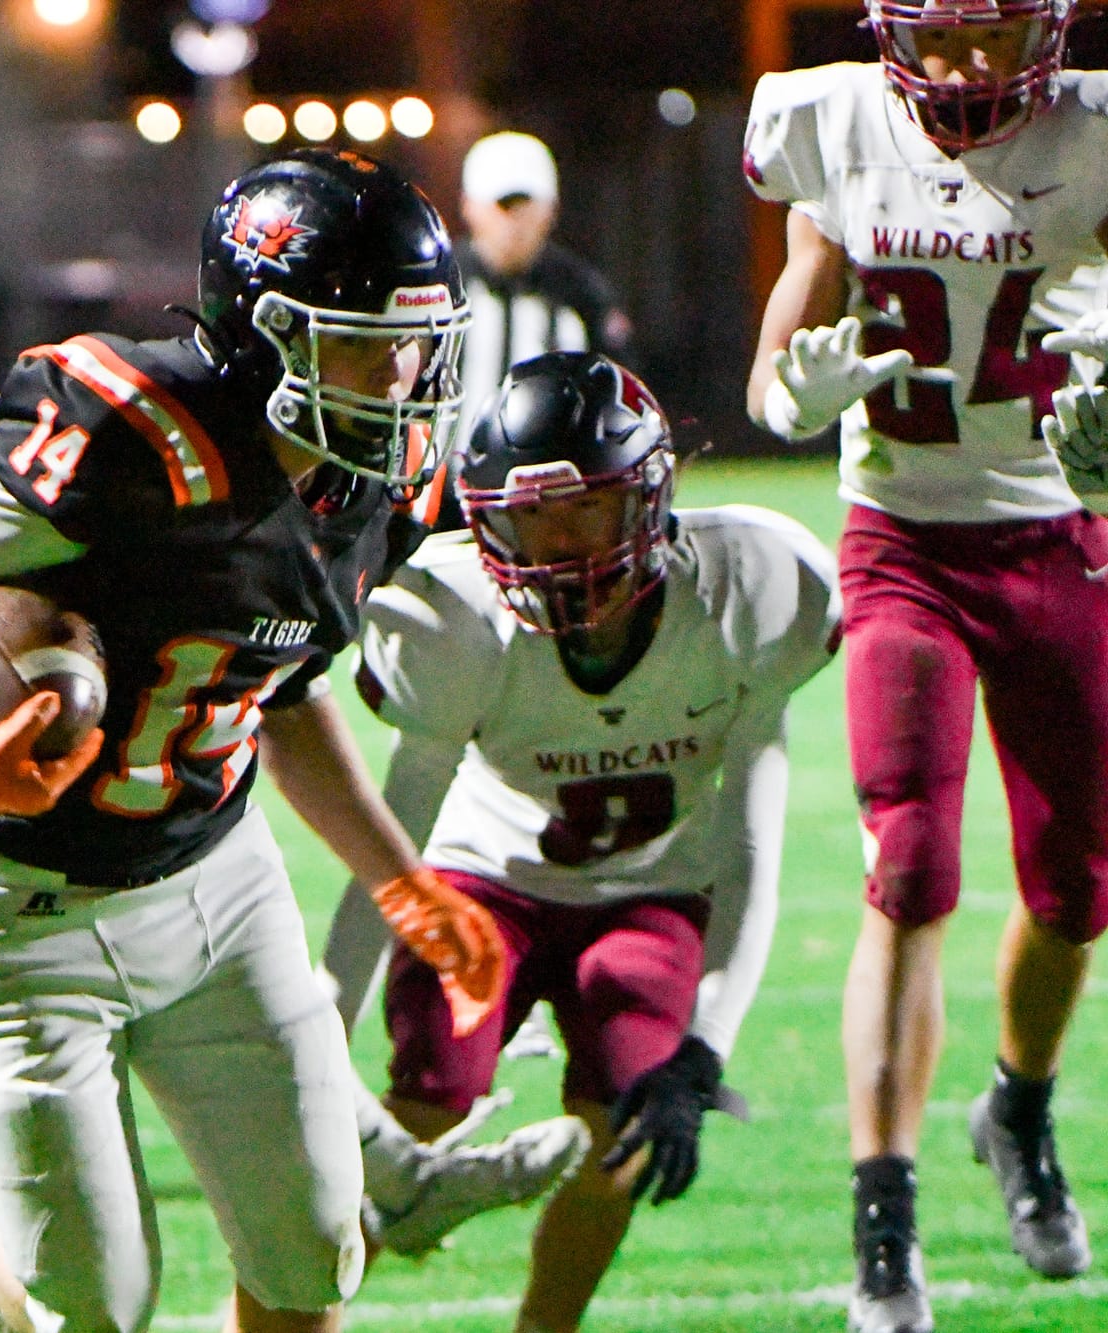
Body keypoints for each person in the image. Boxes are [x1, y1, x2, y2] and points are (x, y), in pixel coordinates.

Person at [0, 147, 522, 1333]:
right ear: (266, 336)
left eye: (417, 340)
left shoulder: (378, 486)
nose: (403, 373)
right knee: (93, 1304)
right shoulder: (127, 433)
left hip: (215, 885)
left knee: (313, 1250)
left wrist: (397, 879)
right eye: (366, 339)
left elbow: (276, 683)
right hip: (26, 911)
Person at [743, 3, 1108, 1327]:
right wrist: (790, 396)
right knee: (911, 864)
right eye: (946, 37)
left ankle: (1015, 1104)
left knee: (1078, 881)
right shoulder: (831, 118)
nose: (971, 67)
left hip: (1058, 538)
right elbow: (778, 350)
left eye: (999, 34)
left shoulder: (1096, 135)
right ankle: (883, 1222)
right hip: (901, 541)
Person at [352, 352, 839, 1333]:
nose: (558, 543)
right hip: (484, 878)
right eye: (531, 516)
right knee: (428, 1097)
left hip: (655, 886)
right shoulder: (455, 618)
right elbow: (393, 830)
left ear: (649, 499)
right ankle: (303, 1280)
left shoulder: (746, 588)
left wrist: (702, 1048)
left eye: (582, 509)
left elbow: (747, 837)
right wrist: (323, 1016)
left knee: (623, 1122)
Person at [397, 132, 634, 540]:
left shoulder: (581, 294)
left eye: (527, 207)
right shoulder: (432, 289)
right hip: (440, 504)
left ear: (552, 210)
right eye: (503, 206)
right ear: (469, 207)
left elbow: (618, 401)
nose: (514, 223)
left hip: (551, 506)